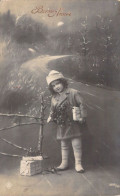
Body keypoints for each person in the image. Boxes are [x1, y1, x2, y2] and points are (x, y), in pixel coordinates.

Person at [46, 70, 87, 173]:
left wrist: (82, 116)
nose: (57, 87)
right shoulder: (54, 98)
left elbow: (82, 105)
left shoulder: (73, 92)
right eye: (53, 85)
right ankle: (64, 163)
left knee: (76, 144)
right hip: (62, 124)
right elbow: (52, 110)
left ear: (63, 82)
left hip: (73, 122)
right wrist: (51, 116)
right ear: (52, 88)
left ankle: (78, 164)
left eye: (58, 83)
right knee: (64, 144)